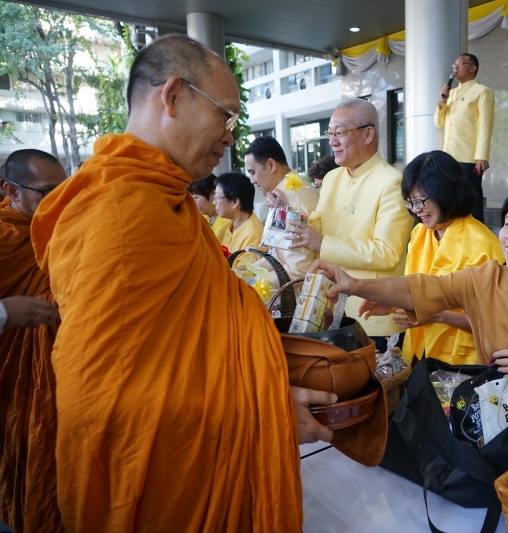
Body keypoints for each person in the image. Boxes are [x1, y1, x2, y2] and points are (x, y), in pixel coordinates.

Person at [30, 35, 335, 532]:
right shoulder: (117, 211)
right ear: (172, 96)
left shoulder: (170, 205)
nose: (232, 136)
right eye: (226, 115)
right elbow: (103, 406)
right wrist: (260, 413)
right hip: (154, 492)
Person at [319, 186, 508, 395]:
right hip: (496, 419)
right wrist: (356, 285)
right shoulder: (488, 278)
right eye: (507, 222)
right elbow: (422, 287)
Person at [288, 98, 414, 351]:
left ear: (368, 134)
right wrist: (289, 211)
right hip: (332, 308)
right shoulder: (333, 178)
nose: (332, 141)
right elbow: (317, 225)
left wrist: (323, 242)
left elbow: (387, 253)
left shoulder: (392, 181)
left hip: (373, 315)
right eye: (330, 133)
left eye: (340, 133)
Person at [359, 150, 504, 365]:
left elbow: (494, 321)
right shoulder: (420, 234)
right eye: (410, 203)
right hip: (419, 352)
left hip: (462, 362)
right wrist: (392, 304)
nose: (416, 210)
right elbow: (417, 290)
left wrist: (437, 315)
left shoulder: (483, 244)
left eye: (420, 201)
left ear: (446, 192)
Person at [0, 149, 66, 532]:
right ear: (10, 190)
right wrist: (5, 313)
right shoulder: (7, 239)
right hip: (10, 389)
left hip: (56, 379)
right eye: (46, 192)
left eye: (64, 191)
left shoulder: (61, 230)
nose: (58, 202)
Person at [243, 136, 319, 279]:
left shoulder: (290, 199)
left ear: (271, 165)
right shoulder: (293, 188)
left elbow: (299, 272)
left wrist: (251, 281)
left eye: (253, 172)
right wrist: (249, 271)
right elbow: (278, 256)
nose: (252, 181)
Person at [435, 53, 495, 223]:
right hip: (449, 156)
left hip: (469, 156)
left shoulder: (482, 91)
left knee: (472, 199)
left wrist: (481, 155)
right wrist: (443, 101)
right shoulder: (451, 94)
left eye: (461, 63)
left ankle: (477, 239)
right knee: (452, 198)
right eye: (454, 64)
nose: (456, 67)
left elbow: (485, 124)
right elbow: (439, 122)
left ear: (472, 68)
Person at [214, 171, 264, 259]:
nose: (214, 202)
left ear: (234, 202)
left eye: (217, 198)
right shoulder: (227, 223)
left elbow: (243, 272)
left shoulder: (253, 236)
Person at [188, 173, 229, 240]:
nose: (192, 203)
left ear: (213, 194)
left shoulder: (226, 221)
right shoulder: (203, 218)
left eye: (195, 198)